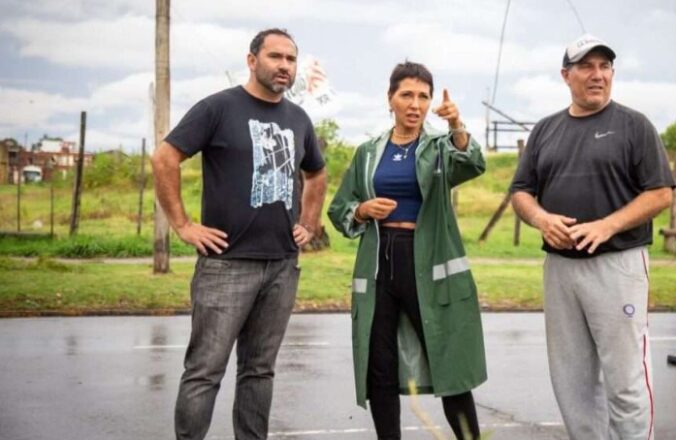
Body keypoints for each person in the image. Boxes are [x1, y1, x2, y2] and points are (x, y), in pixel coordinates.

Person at [150, 28, 327, 440]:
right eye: (275, 57)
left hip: (282, 264)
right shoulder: (218, 109)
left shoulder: (298, 118)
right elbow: (165, 158)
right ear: (252, 61)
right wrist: (183, 225)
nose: (284, 66)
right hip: (226, 266)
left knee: (259, 371)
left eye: (291, 59)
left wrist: (310, 221)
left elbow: (315, 172)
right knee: (205, 370)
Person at [510, 34, 675, 440]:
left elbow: (660, 193)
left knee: (626, 379)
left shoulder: (634, 125)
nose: (597, 75)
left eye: (605, 67)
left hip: (617, 264)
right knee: (572, 383)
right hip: (561, 269)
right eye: (587, 66)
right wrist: (542, 219)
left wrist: (607, 225)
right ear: (567, 75)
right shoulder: (546, 130)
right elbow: (521, 193)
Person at [328, 61, 486, 440]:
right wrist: (363, 210)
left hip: (427, 260)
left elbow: (472, 163)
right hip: (381, 263)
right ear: (390, 99)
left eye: (423, 96)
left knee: (448, 362)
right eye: (407, 95)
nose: (415, 104)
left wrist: (457, 127)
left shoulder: (438, 147)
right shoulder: (368, 152)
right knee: (380, 367)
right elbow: (339, 209)